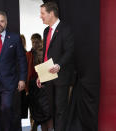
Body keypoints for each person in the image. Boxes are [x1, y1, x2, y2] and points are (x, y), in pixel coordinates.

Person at [37, 2, 74, 131]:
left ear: (51, 13)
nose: (40, 16)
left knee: (60, 110)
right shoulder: (46, 31)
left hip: (61, 77)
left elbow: (69, 51)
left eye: (42, 13)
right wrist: (41, 75)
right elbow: (46, 54)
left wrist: (59, 65)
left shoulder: (65, 29)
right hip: (48, 76)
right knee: (51, 110)